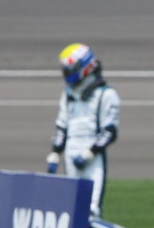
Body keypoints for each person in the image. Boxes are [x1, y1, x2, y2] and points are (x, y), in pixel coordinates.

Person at [45, 42, 120, 218]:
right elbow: (62, 126)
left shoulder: (106, 94)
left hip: (92, 157)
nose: (66, 74)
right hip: (71, 153)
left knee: (91, 209)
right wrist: (55, 152)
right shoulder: (68, 94)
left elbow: (110, 131)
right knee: (72, 206)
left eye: (70, 69)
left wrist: (90, 153)